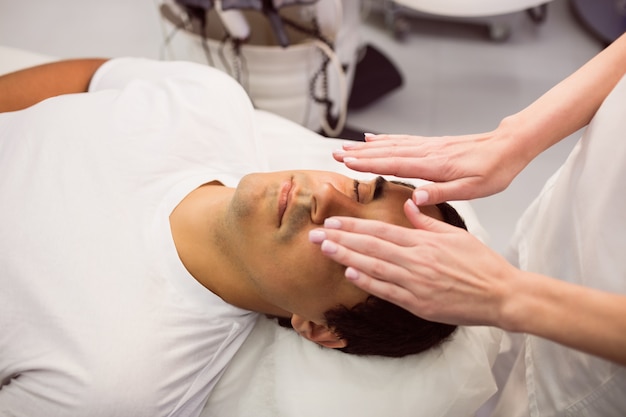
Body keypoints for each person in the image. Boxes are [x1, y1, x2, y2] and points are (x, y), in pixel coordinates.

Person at [0, 57, 468, 417]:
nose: (325, 196)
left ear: (322, 327)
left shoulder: (115, 382)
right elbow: (90, 77)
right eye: (361, 191)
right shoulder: (207, 101)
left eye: (352, 243)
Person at [310, 32, 626, 415]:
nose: (323, 197)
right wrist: (513, 138)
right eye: (360, 193)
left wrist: (509, 296)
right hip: (581, 215)